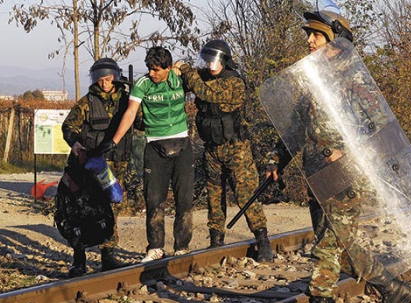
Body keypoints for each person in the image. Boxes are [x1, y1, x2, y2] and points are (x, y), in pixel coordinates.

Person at [264, 10, 411, 303]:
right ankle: (392, 289)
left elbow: (383, 131)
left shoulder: (355, 81)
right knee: (343, 244)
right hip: (318, 173)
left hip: (347, 174)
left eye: (317, 36)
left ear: (336, 43)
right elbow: (295, 129)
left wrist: (348, 153)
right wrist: (277, 159)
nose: (309, 40)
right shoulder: (315, 81)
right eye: (309, 35)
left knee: (327, 245)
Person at [173, 40, 273, 262]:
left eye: (215, 60)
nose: (210, 65)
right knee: (214, 196)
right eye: (208, 60)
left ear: (225, 61)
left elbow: (205, 92)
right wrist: (173, 70)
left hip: (236, 149)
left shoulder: (233, 82)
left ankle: (262, 240)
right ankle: (215, 241)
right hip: (212, 148)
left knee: (246, 194)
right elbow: (186, 83)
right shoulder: (203, 76)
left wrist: (186, 70)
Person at [100, 46, 193, 262]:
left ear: (168, 68)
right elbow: (130, 112)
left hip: (182, 146)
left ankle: (182, 247)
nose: (152, 73)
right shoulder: (143, 84)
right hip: (155, 146)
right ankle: (155, 247)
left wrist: (183, 66)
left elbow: (200, 76)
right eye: (150, 68)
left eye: (157, 70)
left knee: (184, 200)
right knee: (153, 200)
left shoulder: (180, 80)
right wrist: (114, 141)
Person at [61, 57, 132, 277]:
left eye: (108, 78)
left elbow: (138, 121)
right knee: (82, 209)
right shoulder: (87, 102)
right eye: (99, 78)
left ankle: (108, 256)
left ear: (116, 77)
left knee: (113, 209)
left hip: (117, 163)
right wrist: (75, 142)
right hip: (92, 165)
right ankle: (79, 259)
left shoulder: (127, 100)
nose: (104, 82)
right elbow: (69, 126)